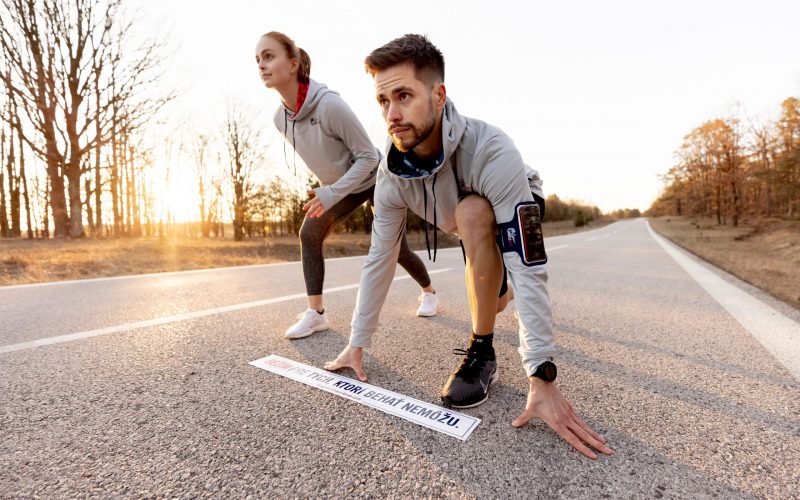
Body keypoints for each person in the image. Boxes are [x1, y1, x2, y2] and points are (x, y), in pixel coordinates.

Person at [324, 34, 613, 460]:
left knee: (477, 217)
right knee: (491, 298)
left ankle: (482, 351)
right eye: (383, 101)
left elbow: (529, 263)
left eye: (404, 95)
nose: (392, 114)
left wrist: (541, 376)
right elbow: (379, 260)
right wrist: (356, 342)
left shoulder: (492, 150)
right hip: (460, 219)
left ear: (438, 95)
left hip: (509, 199)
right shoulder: (391, 173)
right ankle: (497, 291)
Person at [255, 32, 439, 339]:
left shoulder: (329, 106)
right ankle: (316, 314)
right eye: (258, 59)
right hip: (341, 185)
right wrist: (328, 189)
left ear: (293, 64)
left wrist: (332, 192)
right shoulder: (280, 119)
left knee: (397, 247)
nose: (261, 65)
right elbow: (325, 156)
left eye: (269, 56)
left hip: (375, 177)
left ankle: (429, 291)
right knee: (310, 231)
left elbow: (368, 157)